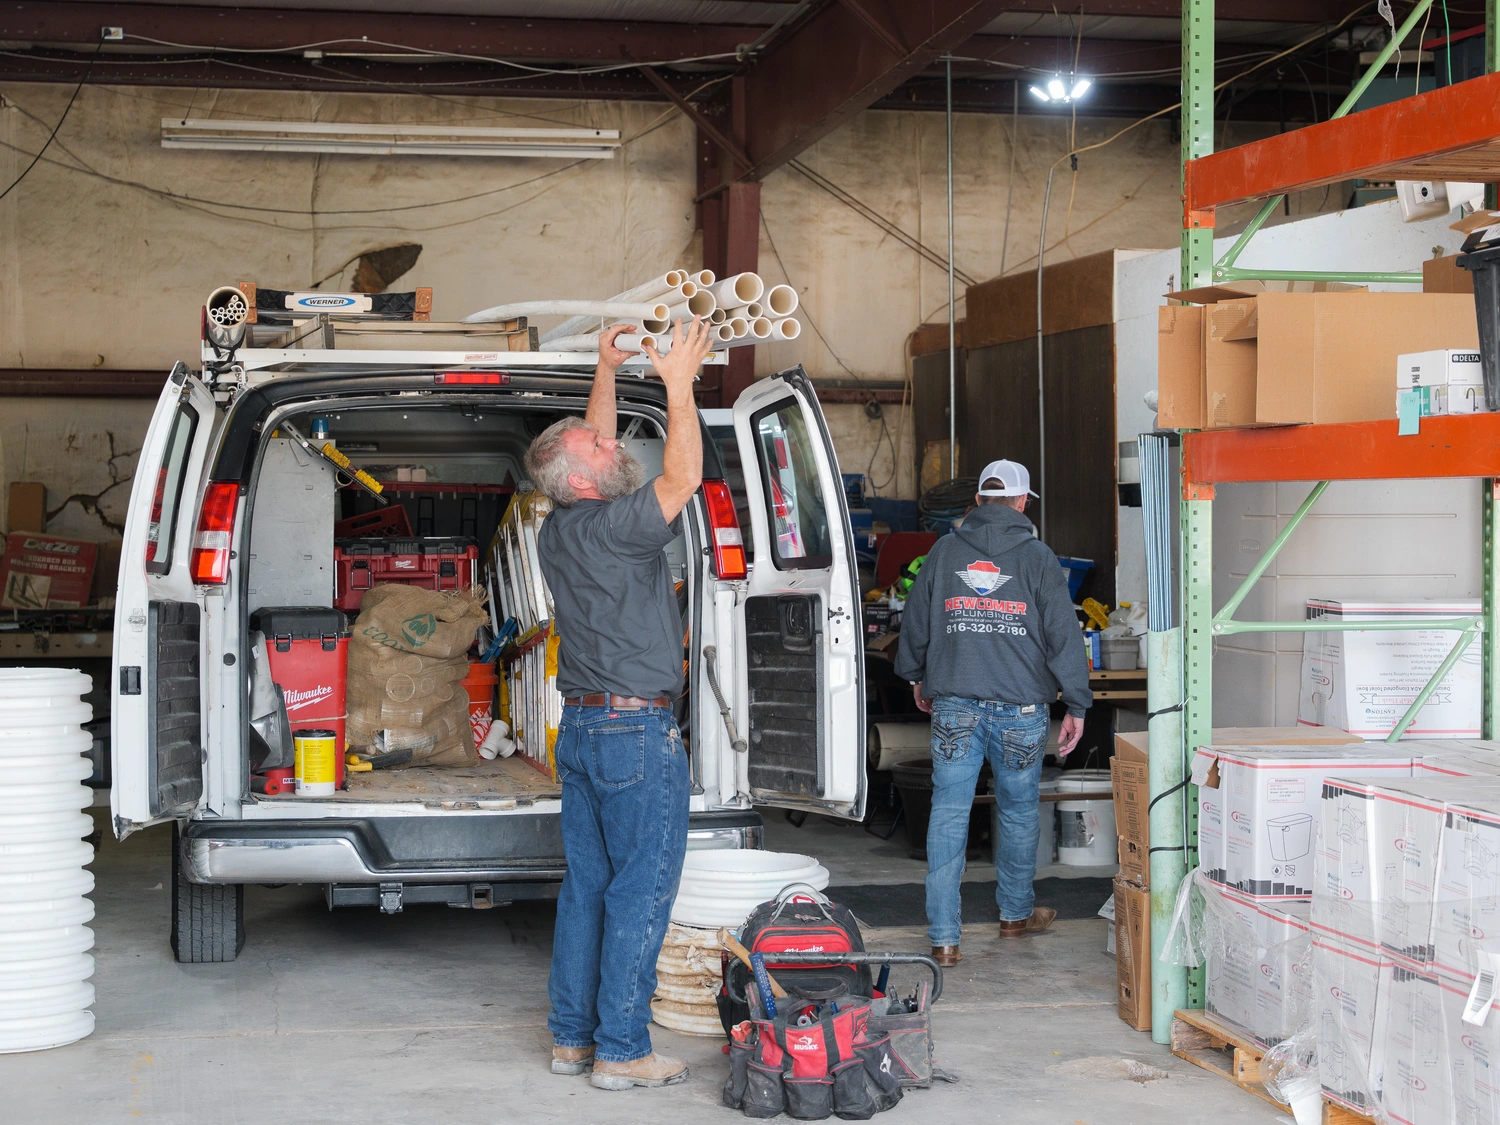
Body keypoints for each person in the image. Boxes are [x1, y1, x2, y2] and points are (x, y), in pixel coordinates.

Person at [523, 317, 714, 1091]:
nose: (615, 445)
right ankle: (623, 1048)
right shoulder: (622, 528)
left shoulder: (562, 526)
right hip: (637, 733)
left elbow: (590, 446)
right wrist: (677, 384)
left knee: (590, 887)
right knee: (641, 887)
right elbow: (684, 478)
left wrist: (606, 367)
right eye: (605, 450)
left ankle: (573, 1037)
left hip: (586, 731)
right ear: (591, 482)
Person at [894, 459, 1092, 968]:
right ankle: (1014, 916)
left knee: (948, 813)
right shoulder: (1040, 558)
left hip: (955, 704)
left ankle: (944, 938)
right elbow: (1064, 637)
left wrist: (917, 675)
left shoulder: (943, 552)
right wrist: (1077, 702)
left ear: (978, 502)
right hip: (1022, 710)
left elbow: (916, 621)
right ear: (1023, 504)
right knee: (1020, 812)